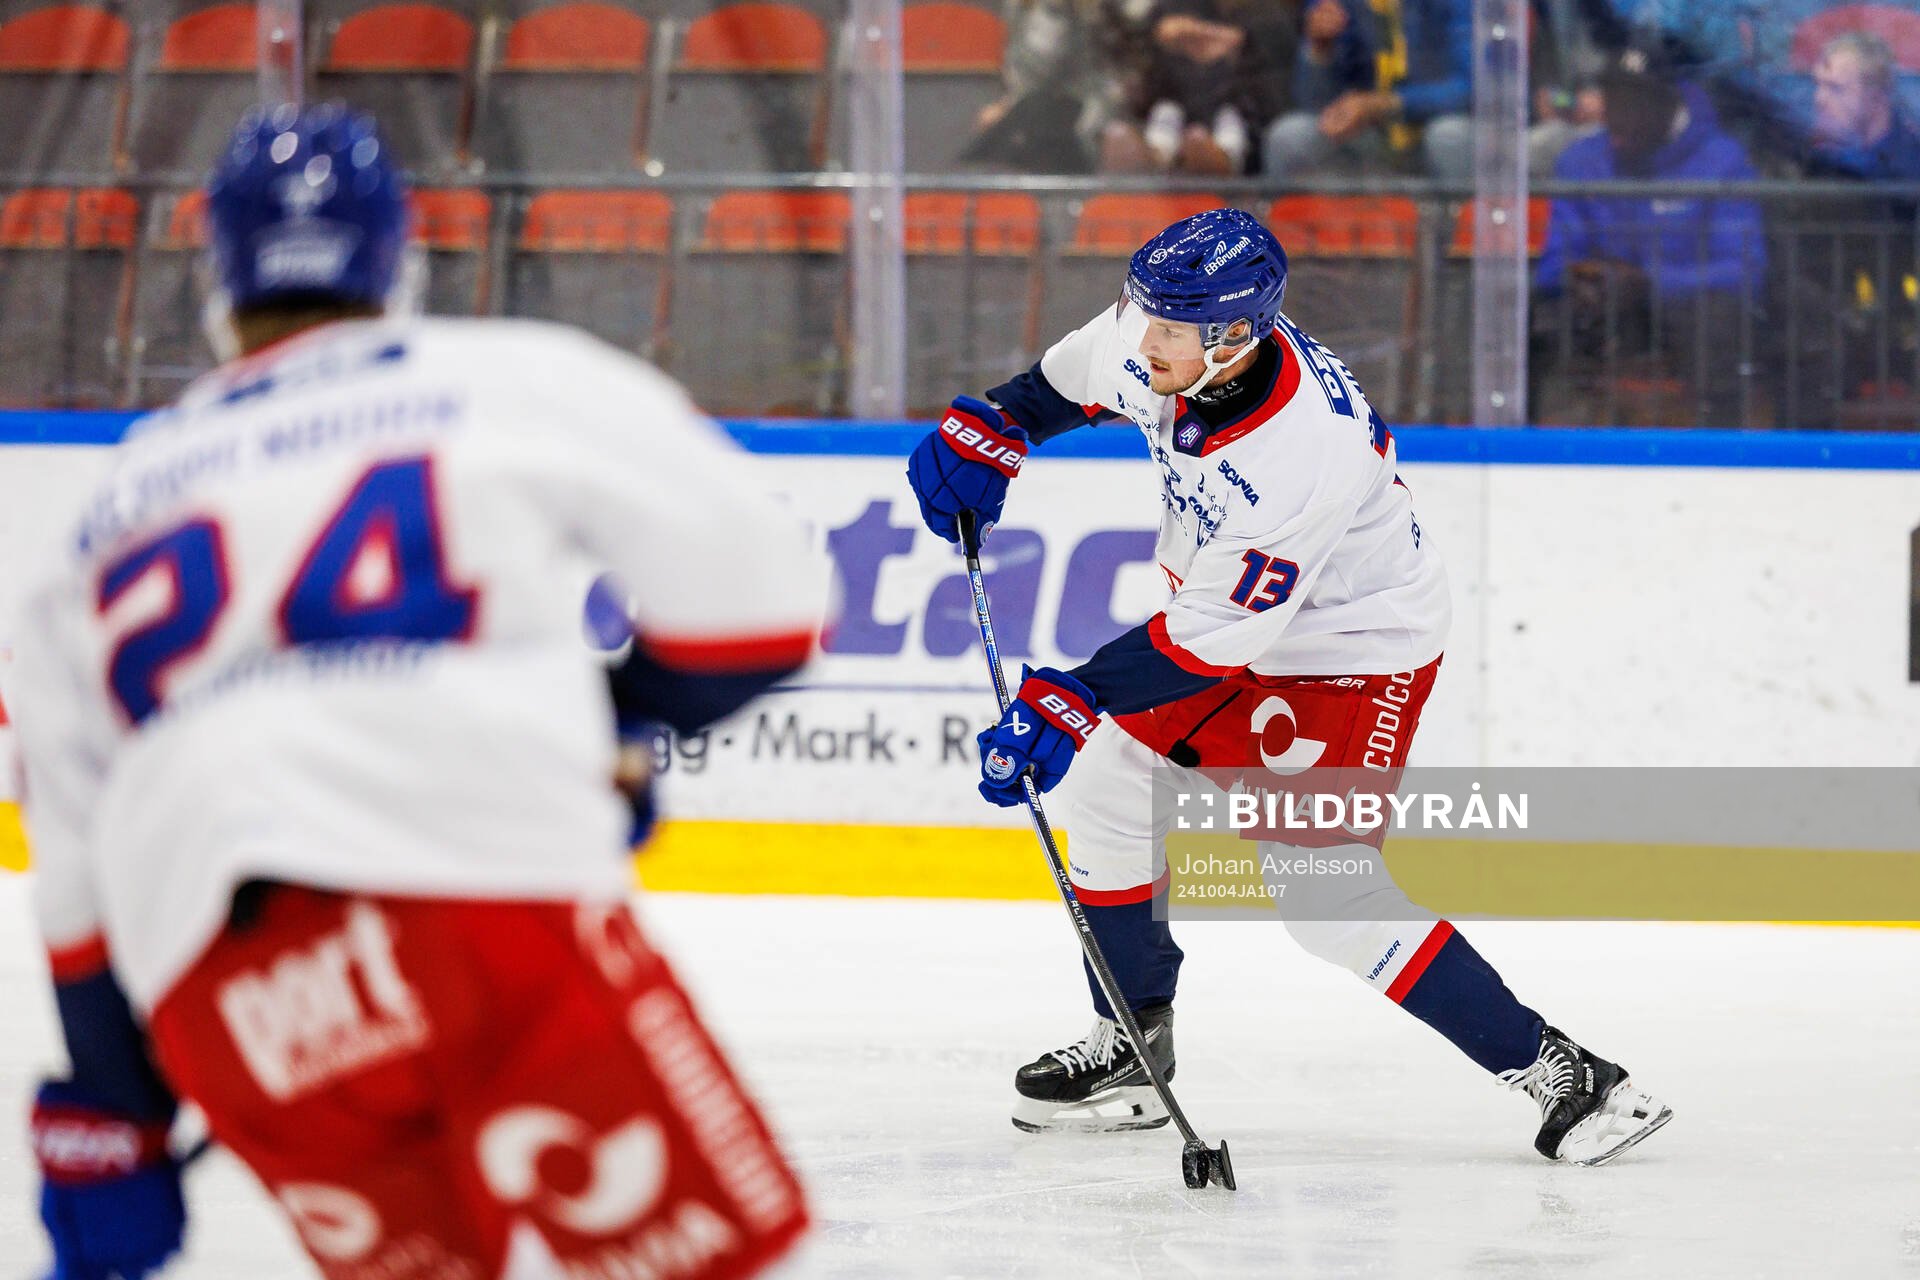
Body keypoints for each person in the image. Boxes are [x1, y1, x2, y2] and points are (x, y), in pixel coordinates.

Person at [10, 103, 824, 1280]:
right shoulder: (512, 378)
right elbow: (763, 606)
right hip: (481, 906)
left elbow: (76, 876)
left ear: (215, 282)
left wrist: (112, 1112)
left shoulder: (100, 515)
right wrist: (595, 728)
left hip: (231, 993)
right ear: (402, 258)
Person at [905, 207, 1672, 1165]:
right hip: (1232, 623)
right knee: (1104, 780)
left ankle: (1569, 1075)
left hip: (1350, 653)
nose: (1145, 340)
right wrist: (993, 427)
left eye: (1172, 329)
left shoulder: (1302, 453)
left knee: (1328, 900)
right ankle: (1132, 1046)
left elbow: (1204, 644)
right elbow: (1058, 387)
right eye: (1146, 315)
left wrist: (1074, 695)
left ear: (1235, 337)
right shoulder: (1170, 327)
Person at [1532, 47, 1766, 425]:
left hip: (1688, 310)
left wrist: (1650, 282)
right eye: (1612, 100)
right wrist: (1582, 278)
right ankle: (1532, 443)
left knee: (1715, 319)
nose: (1616, 116)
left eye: (1632, 103)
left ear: (1666, 104)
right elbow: (1555, 258)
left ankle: (1717, 444)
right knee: (1542, 316)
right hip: (1613, 311)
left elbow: (1743, 268)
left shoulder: (1722, 160)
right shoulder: (1581, 161)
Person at [1261, 0, 1473, 181]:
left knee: (1449, 135)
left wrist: (1388, 104)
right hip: (1369, 139)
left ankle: (1454, 218)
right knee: (1290, 136)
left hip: (1431, 132)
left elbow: (1472, 89)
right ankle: (1319, 218)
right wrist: (1320, 52)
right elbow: (1312, 103)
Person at [1100, 0, 1297, 176]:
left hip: (1241, 130)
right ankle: (1155, 157)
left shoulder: (1269, 17)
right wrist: (1160, 39)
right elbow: (1143, 72)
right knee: (1163, 116)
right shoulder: (1171, 9)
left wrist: (1231, 44)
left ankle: (1224, 159)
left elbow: (1275, 100)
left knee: (1222, 127)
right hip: (1172, 116)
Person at [1808, 31, 1920, 180]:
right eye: (1818, 85)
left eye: (1835, 88)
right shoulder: (1813, 157)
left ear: (1876, 96)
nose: (1819, 99)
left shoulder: (1911, 167)